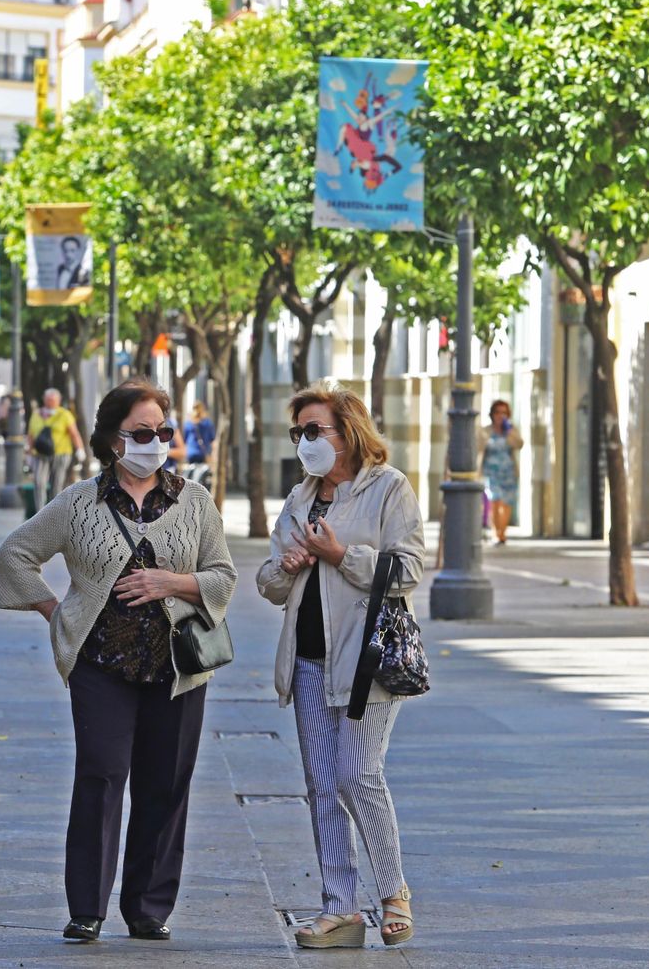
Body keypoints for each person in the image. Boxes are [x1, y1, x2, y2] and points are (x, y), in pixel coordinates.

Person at [0, 379, 235, 943]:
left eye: (163, 432)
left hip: (178, 666)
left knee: (166, 784)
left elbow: (224, 576)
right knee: (100, 778)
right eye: (142, 433)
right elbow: (16, 555)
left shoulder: (195, 501)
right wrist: (60, 614)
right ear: (112, 439)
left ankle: (149, 908)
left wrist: (172, 582)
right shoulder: (80, 502)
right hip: (101, 666)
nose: (155, 442)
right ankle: (87, 908)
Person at [256, 383, 423, 950]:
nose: (305, 442)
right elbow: (270, 585)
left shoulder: (388, 489)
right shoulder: (301, 497)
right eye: (298, 432)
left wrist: (339, 556)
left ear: (347, 432)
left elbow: (407, 571)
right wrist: (289, 563)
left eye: (314, 430)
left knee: (358, 774)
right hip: (307, 662)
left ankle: (393, 892)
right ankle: (340, 909)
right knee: (322, 785)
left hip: (364, 663)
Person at [27, 388, 85, 509]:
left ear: (58, 401)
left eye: (53, 400)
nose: (50, 402)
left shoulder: (65, 414)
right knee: (39, 482)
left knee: (57, 484)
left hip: (61, 453)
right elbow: (31, 434)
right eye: (48, 400)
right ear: (44, 400)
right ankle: (40, 512)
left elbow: (74, 433)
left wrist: (80, 449)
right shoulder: (36, 414)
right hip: (40, 454)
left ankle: (53, 511)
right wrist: (29, 450)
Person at [480, 399, 523, 545]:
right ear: (492, 414)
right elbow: (479, 447)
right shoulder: (486, 431)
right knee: (495, 501)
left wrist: (509, 431)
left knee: (507, 502)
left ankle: (502, 532)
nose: (500, 416)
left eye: (504, 413)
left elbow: (519, 444)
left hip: (508, 471)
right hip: (491, 472)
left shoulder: (511, 430)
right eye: (497, 412)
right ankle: (496, 532)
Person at [184, 401, 215, 469]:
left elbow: (185, 441)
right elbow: (212, 441)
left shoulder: (189, 424)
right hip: (203, 454)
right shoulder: (207, 423)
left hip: (191, 454)